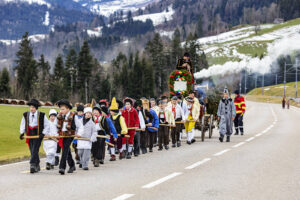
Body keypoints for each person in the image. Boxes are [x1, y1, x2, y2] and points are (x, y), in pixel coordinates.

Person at [19, 99, 49, 173]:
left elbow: (47, 125)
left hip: (38, 134)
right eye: (30, 107)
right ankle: (37, 164)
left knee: (35, 149)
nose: (31, 109)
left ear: (36, 108)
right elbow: (22, 124)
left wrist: (43, 133)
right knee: (32, 150)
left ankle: (32, 164)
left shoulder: (42, 115)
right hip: (29, 133)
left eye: (33, 107)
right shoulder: (25, 115)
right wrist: (22, 133)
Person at [56, 99, 77, 175]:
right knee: (66, 150)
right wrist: (56, 133)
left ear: (68, 109)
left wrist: (79, 133)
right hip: (62, 135)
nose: (61, 110)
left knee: (64, 149)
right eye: (60, 109)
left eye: (63, 109)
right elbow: (56, 126)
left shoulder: (73, 116)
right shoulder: (59, 116)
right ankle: (72, 165)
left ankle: (62, 167)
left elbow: (79, 126)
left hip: (69, 135)